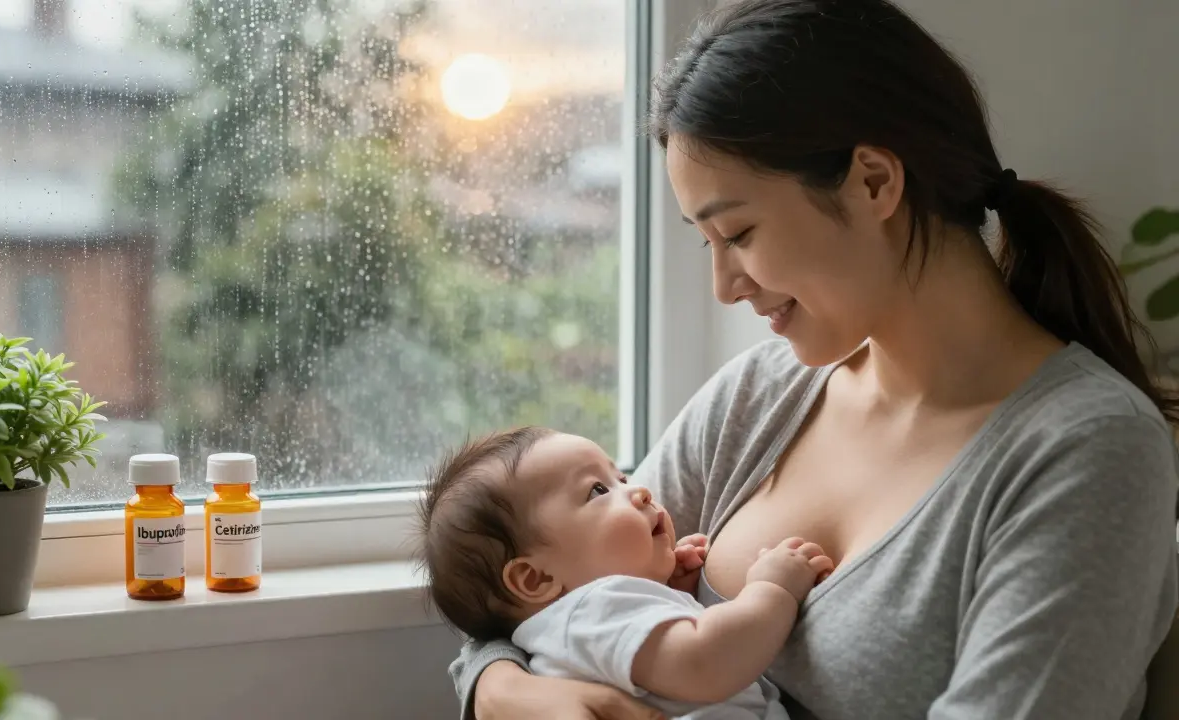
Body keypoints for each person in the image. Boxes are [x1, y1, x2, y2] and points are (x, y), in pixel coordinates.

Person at [448, 0, 1179, 718]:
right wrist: (511, 692)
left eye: (737, 233)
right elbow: (531, 600)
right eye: (709, 245)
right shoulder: (760, 396)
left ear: (873, 182)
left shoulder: (1089, 449)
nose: (726, 286)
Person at [418, 427, 835, 719]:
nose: (639, 490)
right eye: (598, 490)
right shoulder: (593, 610)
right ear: (535, 580)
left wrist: (670, 590)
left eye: (619, 477)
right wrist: (771, 589)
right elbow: (704, 663)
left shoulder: (576, 624)